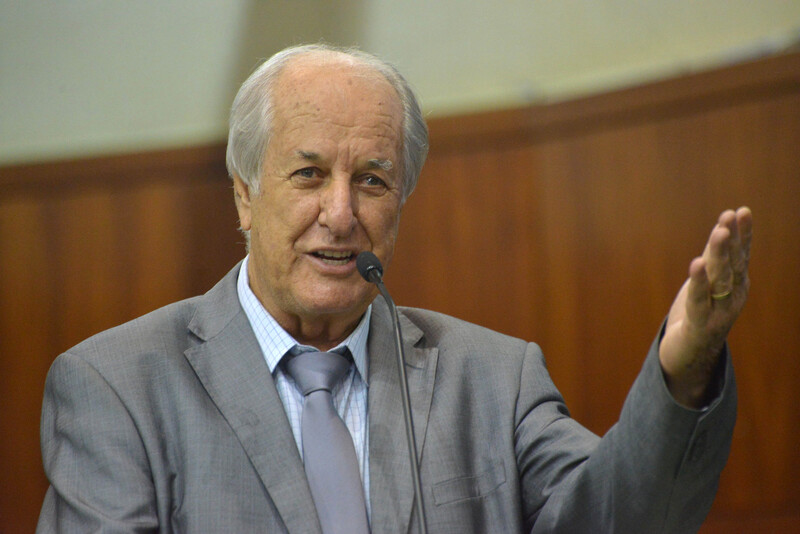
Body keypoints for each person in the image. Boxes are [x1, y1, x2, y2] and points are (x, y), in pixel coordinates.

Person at [37, 43, 752, 533]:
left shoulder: (492, 381)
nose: (341, 214)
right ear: (245, 195)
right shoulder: (117, 387)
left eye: (372, 180)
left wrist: (683, 371)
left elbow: (622, 520)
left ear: (402, 202)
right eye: (309, 174)